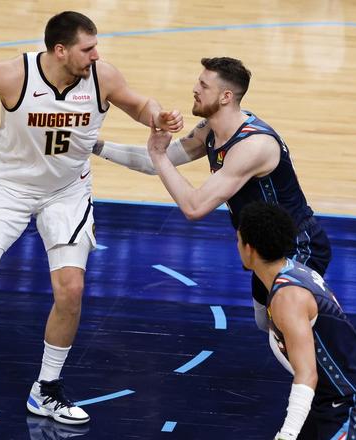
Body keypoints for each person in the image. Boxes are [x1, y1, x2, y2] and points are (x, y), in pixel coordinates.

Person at [0, 11, 182, 425]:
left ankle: (46, 388)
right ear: (60, 50)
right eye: (87, 48)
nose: (96, 55)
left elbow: (139, 104)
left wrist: (158, 116)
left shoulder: (102, 76)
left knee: (71, 289)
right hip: (8, 190)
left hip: (67, 192)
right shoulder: (14, 75)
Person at [93, 57, 331, 332]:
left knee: (287, 326)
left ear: (226, 96)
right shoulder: (210, 130)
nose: (195, 89)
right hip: (264, 246)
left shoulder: (253, 146)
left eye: (204, 85)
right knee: (265, 323)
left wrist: (158, 156)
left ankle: (323, 356)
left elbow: (194, 207)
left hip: (297, 245)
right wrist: (92, 145)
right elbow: (151, 161)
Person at [236, 201, 356, 440]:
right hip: (329, 400)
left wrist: (287, 434)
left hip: (352, 403)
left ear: (250, 249)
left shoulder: (288, 297)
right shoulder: (292, 270)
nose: (237, 246)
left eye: (238, 240)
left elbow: (307, 374)